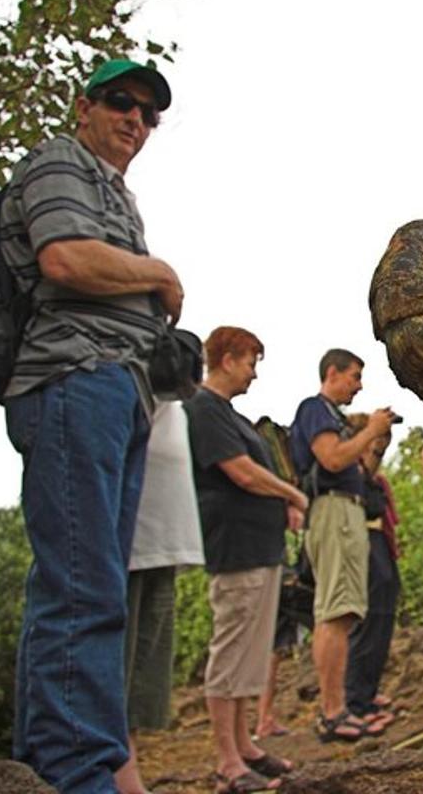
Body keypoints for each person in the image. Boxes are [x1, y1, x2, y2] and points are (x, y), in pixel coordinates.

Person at [0, 57, 183, 793]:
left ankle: (59, 760)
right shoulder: (57, 161)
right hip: (74, 381)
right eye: (121, 102)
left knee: (84, 580)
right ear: (84, 107)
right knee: (85, 585)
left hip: (119, 390)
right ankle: (79, 772)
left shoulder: (118, 193)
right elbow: (67, 259)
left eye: (149, 113)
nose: (135, 119)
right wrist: (161, 275)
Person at [184, 327, 306, 793]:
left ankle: (245, 746)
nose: (254, 373)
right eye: (251, 361)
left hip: (260, 547)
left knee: (251, 652)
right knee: (231, 649)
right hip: (234, 547)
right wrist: (291, 491)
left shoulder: (228, 414)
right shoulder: (202, 408)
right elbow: (240, 472)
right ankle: (227, 759)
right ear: (228, 358)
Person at [114, 334, 205, 794]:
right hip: (130, 542)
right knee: (119, 660)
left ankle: (129, 763)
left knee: (146, 665)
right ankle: (118, 768)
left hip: (166, 542)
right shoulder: (124, 381)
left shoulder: (172, 404)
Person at [288, 349, 394, 742]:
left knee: (344, 611)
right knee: (334, 610)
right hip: (332, 513)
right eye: (355, 376)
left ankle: (340, 708)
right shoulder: (313, 409)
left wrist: (376, 441)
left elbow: (359, 469)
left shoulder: (332, 418)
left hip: (347, 511)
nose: (359, 385)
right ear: (332, 372)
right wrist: (369, 428)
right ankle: (332, 713)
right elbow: (332, 459)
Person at [343, 413, 401, 728]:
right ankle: (356, 700)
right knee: (365, 623)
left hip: (379, 543)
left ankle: (368, 692)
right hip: (361, 542)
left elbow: (370, 469)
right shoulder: (345, 468)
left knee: (382, 618)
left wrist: (382, 441)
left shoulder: (366, 472)